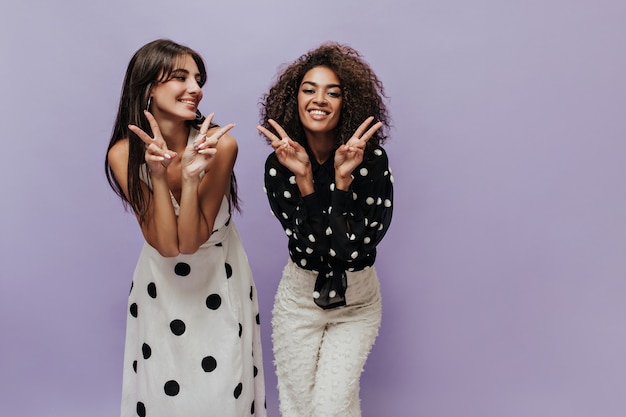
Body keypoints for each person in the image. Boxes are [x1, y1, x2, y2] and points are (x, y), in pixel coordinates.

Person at [105, 39, 266, 417]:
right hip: (161, 287)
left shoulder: (220, 146)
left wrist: (192, 178)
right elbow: (166, 245)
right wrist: (158, 177)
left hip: (218, 280)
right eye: (181, 77)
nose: (196, 88)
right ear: (147, 87)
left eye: (198, 78)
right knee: (162, 393)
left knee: (223, 392)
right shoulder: (123, 154)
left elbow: (191, 242)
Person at [257, 42, 393, 417]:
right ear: (294, 99)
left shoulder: (372, 162)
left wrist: (343, 181)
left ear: (347, 103)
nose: (320, 100)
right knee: (299, 408)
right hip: (298, 300)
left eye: (333, 92)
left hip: (357, 302)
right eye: (309, 89)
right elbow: (314, 247)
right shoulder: (279, 165)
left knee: (330, 408)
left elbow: (350, 250)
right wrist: (303, 177)